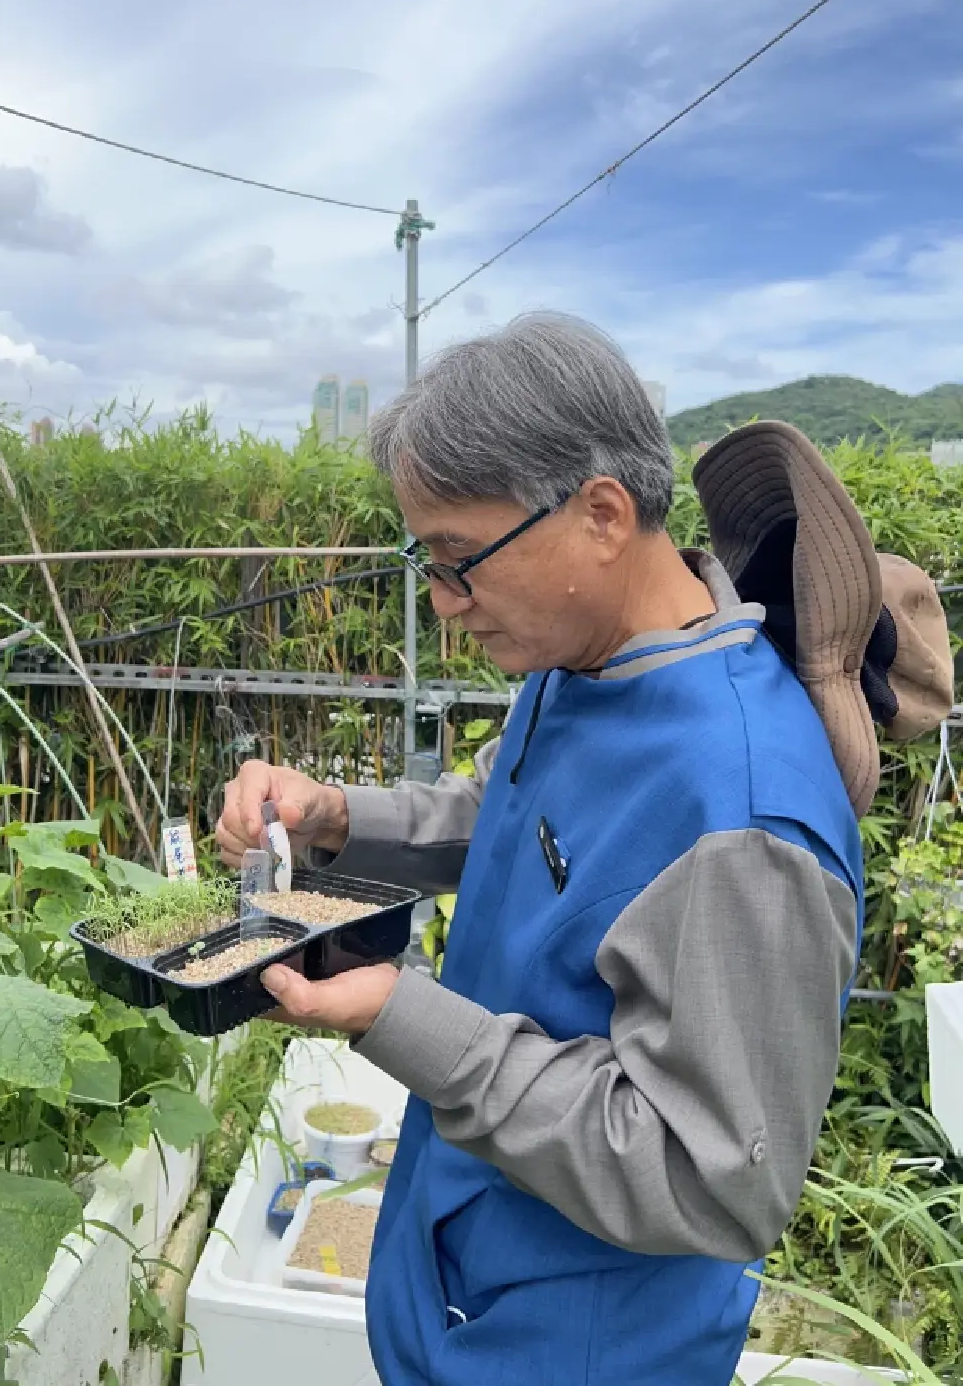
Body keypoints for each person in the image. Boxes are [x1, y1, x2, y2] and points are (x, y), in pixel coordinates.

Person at [216, 314, 954, 1386]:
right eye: (429, 564)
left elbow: (710, 1176)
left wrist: (398, 1015)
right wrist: (335, 815)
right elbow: (515, 816)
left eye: (460, 563)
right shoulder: (588, 660)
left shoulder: (745, 811)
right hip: (467, 1269)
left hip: (576, 1345)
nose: (444, 604)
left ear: (601, 514)